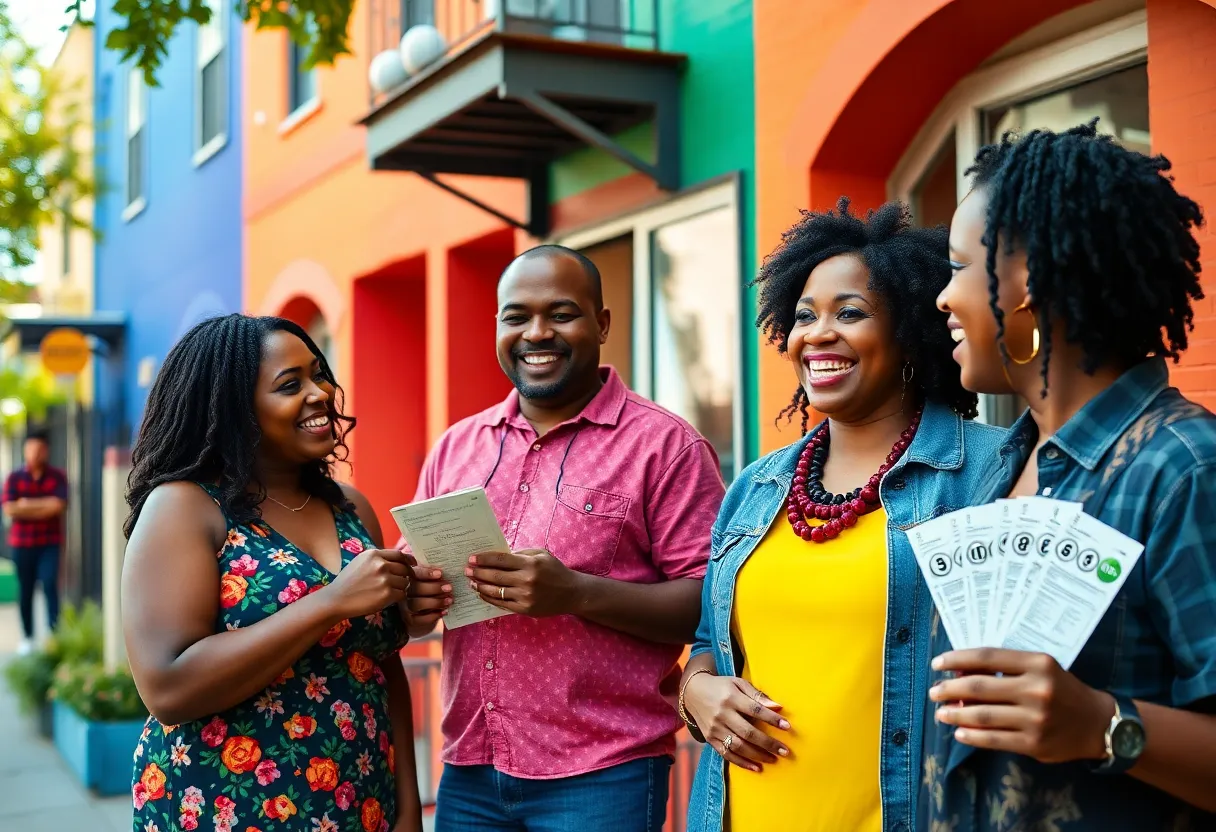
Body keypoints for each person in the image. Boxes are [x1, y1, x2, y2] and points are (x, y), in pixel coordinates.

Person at [922, 122, 1216, 829]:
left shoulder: (1182, 466)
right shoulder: (999, 467)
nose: (941, 297)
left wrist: (1102, 724)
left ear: (1029, 286)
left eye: (959, 267)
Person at [678, 198, 1004, 832]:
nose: (816, 334)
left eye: (849, 314)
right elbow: (710, 645)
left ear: (910, 331)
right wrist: (697, 692)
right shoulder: (756, 487)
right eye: (803, 316)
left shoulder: (988, 473)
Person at [403, 244, 725, 832]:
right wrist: (416, 601)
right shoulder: (456, 447)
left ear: (602, 324)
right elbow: (416, 608)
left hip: (603, 774)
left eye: (561, 313)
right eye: (516, 316)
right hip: (470, 772)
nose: (537, 333)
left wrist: (575, 592)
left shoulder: (666, 447)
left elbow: (708, 607)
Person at [122, 314, 422, 832]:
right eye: (291, 385)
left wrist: (407, 807)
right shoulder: (186, 507)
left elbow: (380, 665)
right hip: (228, 807)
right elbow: (167, 688)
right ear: (235, 411)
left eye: (319, 373)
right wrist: (331, 602)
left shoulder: (351, 509)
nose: (320, 393)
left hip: (360, 803)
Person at [2, 430, 68, 656]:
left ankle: (54, 635)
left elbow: (58, 506)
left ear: (46, 450)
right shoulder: (14, 477)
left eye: (39, 449)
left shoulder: (57, 476)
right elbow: (10, 508)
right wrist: (43, 506)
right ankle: (28, 637)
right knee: (26, 589)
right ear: (25, 449)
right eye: (30, 448)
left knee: (50, 585)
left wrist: (25, 505)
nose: (34, 453)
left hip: (49, 542)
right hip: (22, 544)